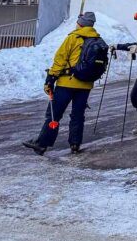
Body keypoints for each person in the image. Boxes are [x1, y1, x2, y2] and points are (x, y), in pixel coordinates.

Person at [22, 12, 100, 156]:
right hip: (85, 85)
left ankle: (42, 143)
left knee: (54, 114)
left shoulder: (73, 38)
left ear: (80, 24)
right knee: (78, 115)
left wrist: (51, 78)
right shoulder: (97, 40)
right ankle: (75, 144)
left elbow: (60, 59)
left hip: (67, 83)